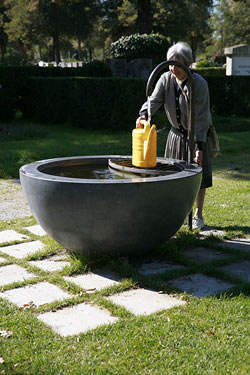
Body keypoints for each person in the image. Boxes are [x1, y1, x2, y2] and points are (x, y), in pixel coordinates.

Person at [136, 41, 212, 229]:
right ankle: (177, 216)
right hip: (176, 136)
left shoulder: (200, 84)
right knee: (173, 176)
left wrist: (199, 146)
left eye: (177, 64)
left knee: (199, 177)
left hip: (197, 136)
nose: (172, 68)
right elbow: (153, 101)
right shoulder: (165, 79)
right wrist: (144, 115)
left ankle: (198, 216)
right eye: (170, 64)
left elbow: (202, 117)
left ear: (187, 63)